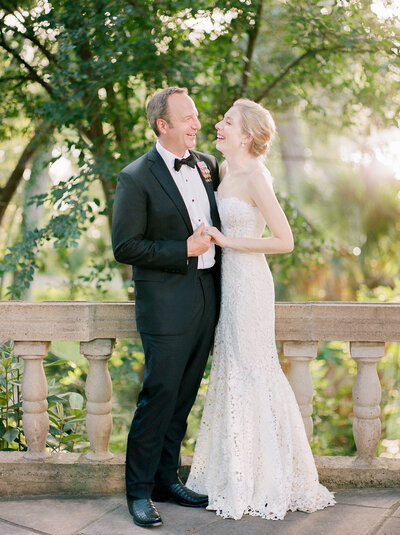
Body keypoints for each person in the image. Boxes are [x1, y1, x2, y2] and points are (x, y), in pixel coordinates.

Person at [186, 98, 336, 520]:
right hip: (226, 284)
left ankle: (267, 479)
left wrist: (228, 241)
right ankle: (236, 473)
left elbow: (285, 240)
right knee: (232, 371)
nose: (218, 124)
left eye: (227, 122)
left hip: (250, 283)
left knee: (254, 371)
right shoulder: (224, 170)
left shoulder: (255, 177)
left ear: (247, 135)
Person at [112, 87, 221, 528]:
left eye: (196, 117)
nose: (197, 124)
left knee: (184, 395)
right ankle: (138, 493)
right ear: (163, 125)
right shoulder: (135, 177)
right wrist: (185, 248)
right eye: (189, 118)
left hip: (207, 296)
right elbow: (125, 246)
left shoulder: (208, 165)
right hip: (164, 304)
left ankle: (165, 479)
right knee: (158, 396)